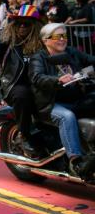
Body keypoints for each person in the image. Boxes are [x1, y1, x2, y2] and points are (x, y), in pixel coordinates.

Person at [29, 23, 95, 178]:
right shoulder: (39, 57)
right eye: (57, 36)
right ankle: (76, 162)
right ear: (46, 40)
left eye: (64, 36)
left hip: (76, 98)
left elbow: (90, 59)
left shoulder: (71, 52)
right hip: (50, 103)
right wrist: (57, 80)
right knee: (67, 117)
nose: (62, 40)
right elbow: (37, 77)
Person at [0, 4, 43, 157]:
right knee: (23, 95)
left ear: (35, 26)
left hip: (41, 83)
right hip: (15, 84)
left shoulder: (43, 43)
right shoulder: (9, 41)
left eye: (26, 23)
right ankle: (24, 136)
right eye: (19, 23)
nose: (22, 26)